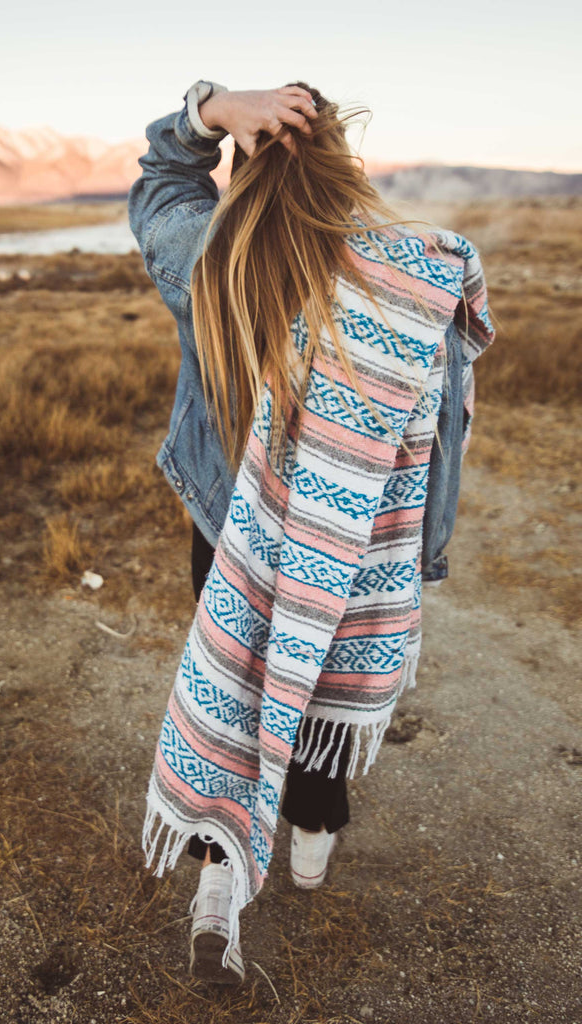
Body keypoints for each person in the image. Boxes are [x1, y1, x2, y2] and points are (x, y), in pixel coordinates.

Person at [128, 80, 494, 985]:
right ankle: (309, 847)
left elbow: (158, 184)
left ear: (247, 158)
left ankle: (217, 890)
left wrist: (207, 107)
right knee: (316, 688)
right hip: (352, 553)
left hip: (230, 537)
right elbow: (440, 432)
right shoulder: (415, 276)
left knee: (243, 684)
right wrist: (422, 552)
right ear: (342, 162)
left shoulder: (212, 253)